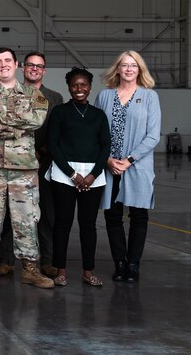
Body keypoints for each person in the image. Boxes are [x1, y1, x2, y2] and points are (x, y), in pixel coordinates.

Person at [0, 47, 53, 289]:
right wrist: (19, 124)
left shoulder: (34, 94)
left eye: (7, 60)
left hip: (23, 168)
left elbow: (36, 120)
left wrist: (1, 119)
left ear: (16, 64)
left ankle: (30, 268)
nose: (3, 65)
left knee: (26, 218)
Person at [0, 52, 63, 277]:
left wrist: (40, 151)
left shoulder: (54, 97)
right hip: (12, 162)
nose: (34, 69)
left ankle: (47, 260)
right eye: (30, 65)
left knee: (44, 213)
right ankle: (6, 259)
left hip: (43, 162)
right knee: (8, 213)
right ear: (22, 67)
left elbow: (55, 130)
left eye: (39, 66)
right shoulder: (12, 92)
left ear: (44, 70)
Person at [95, 51, 161, 283]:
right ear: (118, 69)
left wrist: (129, 160)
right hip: (109, 166)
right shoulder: (104, 96)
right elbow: (97, 131)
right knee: (112, 216)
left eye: (134, 65)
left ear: (140, 70)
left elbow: (153, 136)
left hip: (137, 167)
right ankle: (119, 263)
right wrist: (108, 160)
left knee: (138, 216)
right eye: (125, 65)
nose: (129, 69)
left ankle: (133, 264)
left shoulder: (149, 96)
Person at [47, 67, 110, 287]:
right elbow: (53, 145)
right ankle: (61, 271)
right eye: (75, 85)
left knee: (88, 225)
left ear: (90, 87)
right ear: (69, 87)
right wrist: (72, 174)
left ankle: (87, 271)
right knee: (62, 223)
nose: (79, 89)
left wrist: (93, 175)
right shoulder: (59, 112)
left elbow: (105, 147)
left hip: (93, 177)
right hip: (64, 175)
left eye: (83, 85)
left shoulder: (98, 115)